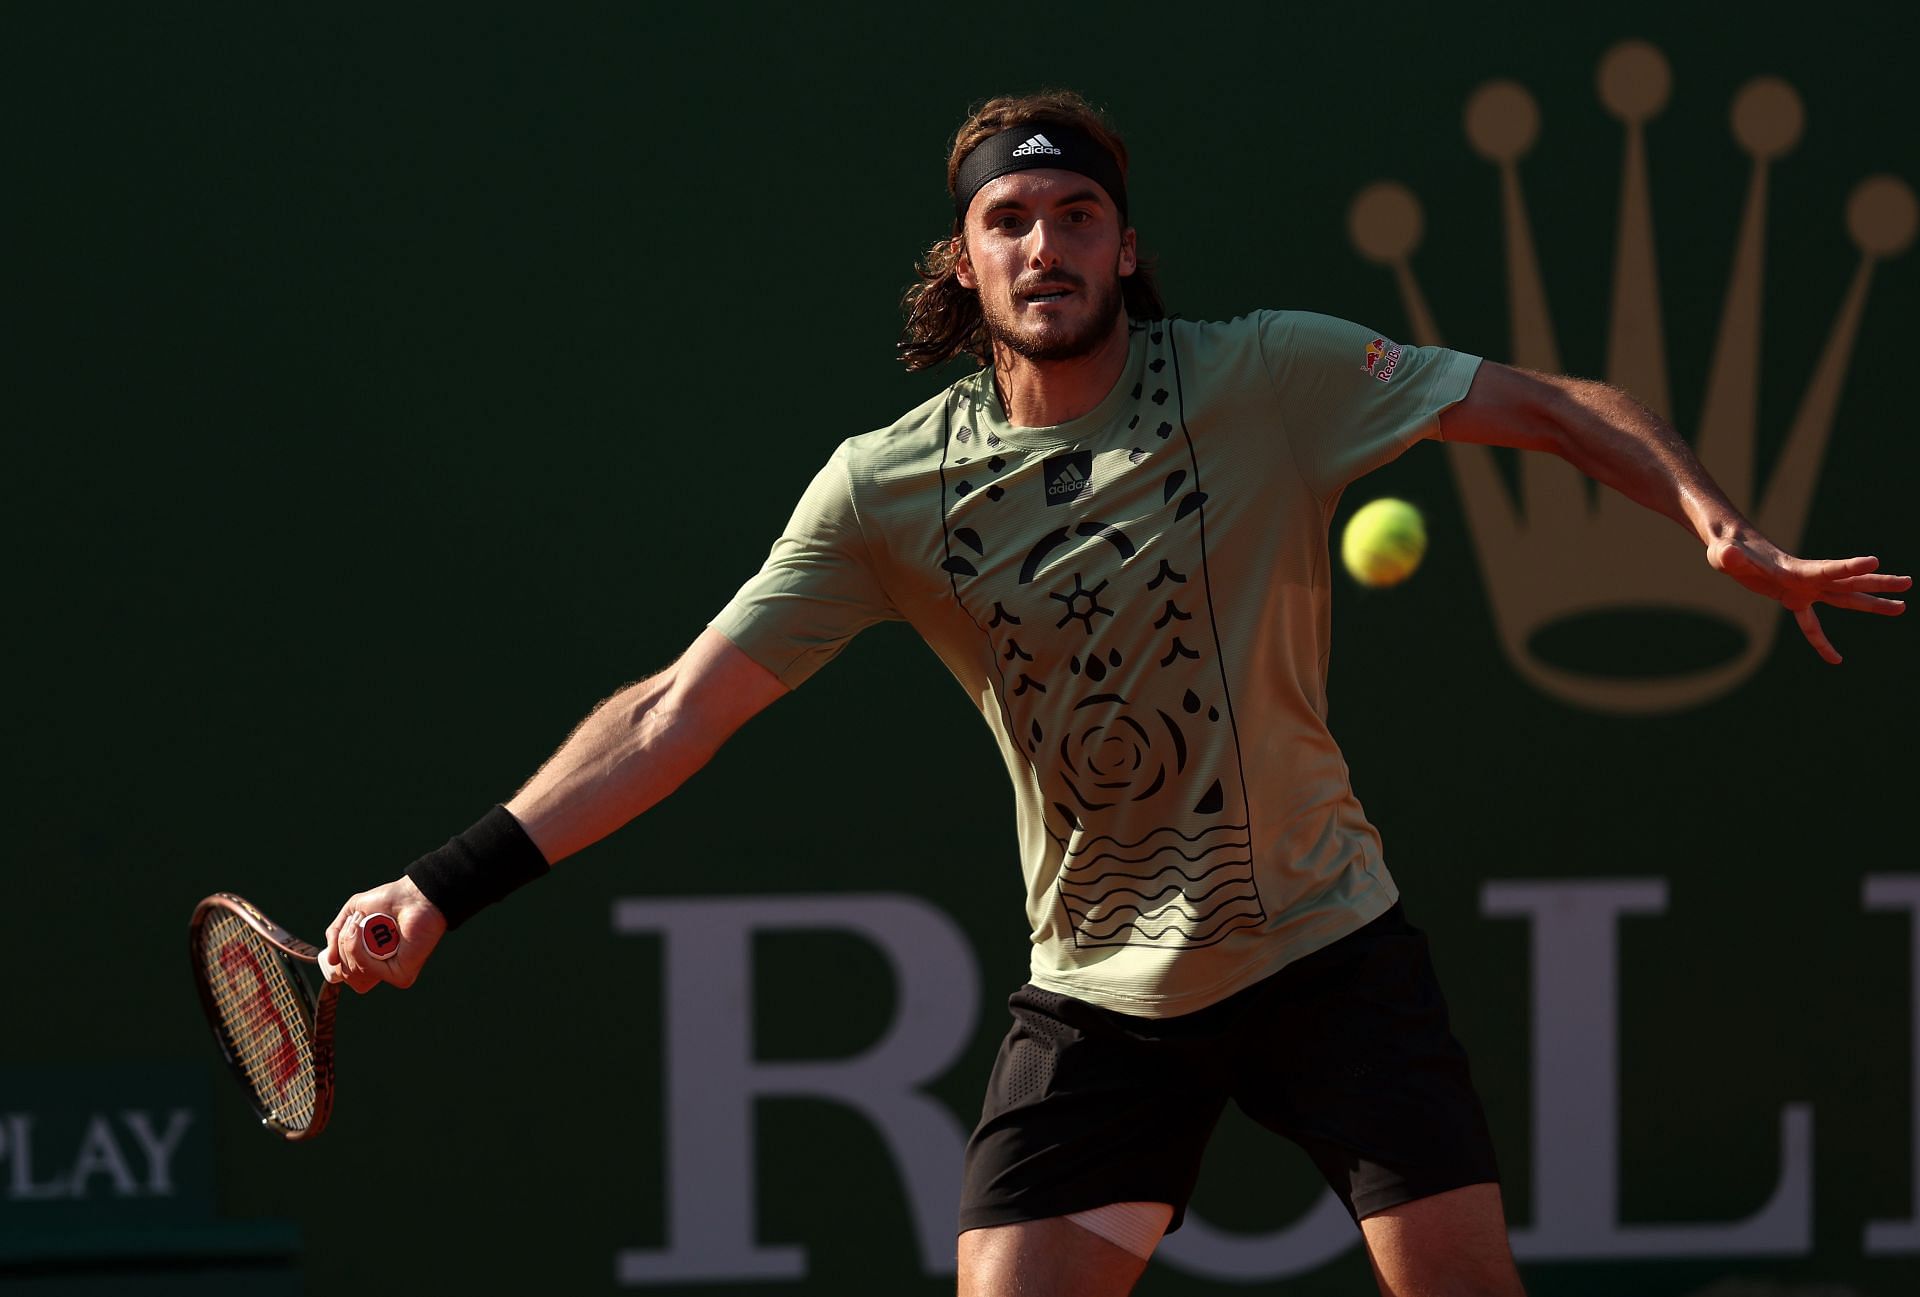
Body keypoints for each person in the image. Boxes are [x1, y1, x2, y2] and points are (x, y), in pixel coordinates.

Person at [324, 91, 1908, 1297]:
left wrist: (1714, 522)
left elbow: (1545, 408)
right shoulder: (886, 491)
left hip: (1327, 951)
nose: (1046, 246)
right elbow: (676, 710)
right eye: (1011, 220)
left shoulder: (1265, 375)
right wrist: (442, 887)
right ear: (965, 259)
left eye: (1079, 215)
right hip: (1101, 998)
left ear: (1125, 247)